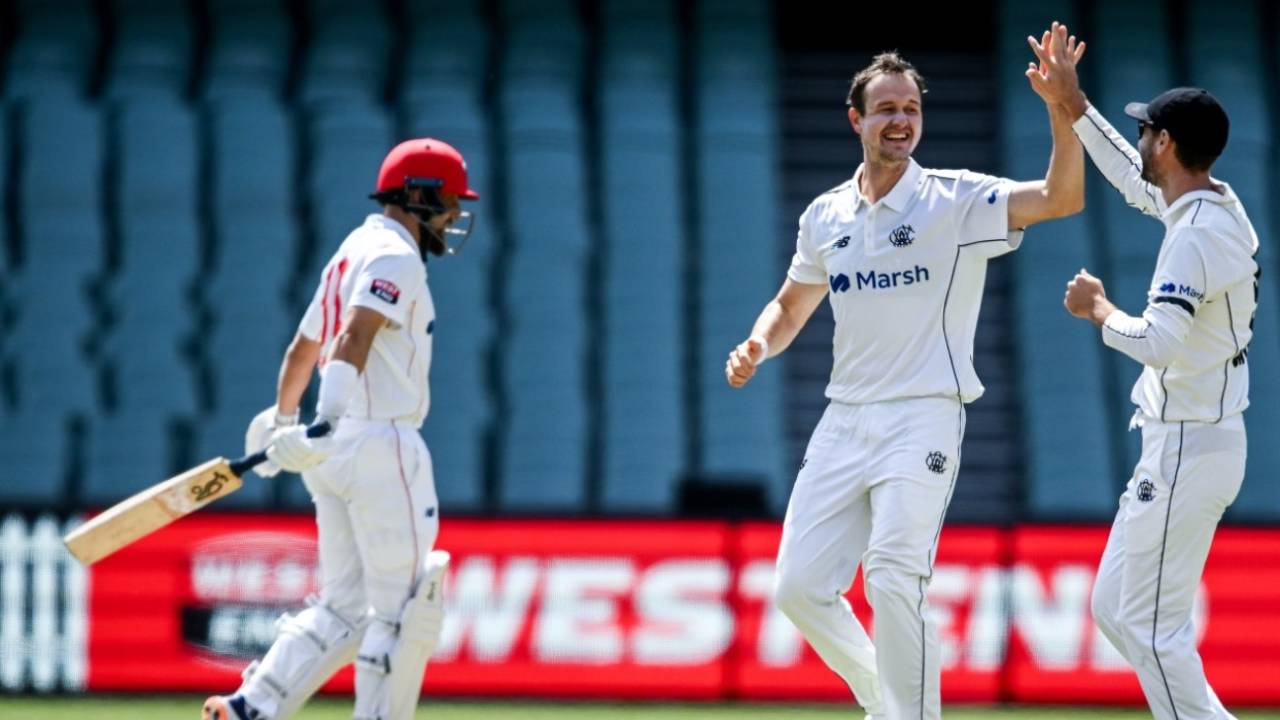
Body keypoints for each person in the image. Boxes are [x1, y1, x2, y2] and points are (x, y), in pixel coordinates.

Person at [723, 28, 1086, 719]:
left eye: (912, 109)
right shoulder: (824, 215)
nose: (901, 120)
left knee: (892, 576)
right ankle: (887, 703)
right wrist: (757, 345)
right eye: (886, 108)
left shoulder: (954, 200)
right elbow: (792, 303)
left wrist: (1059, 110)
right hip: (845, 418)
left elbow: (1059, 198)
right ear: (856, 119)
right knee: (798, 590)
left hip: (924, 412)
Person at [202, 138, 480, 720]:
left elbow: (303, 347)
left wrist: (283, 423)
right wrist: (320, 420)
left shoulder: (352, 250)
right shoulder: (396, 257)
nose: (454, 215)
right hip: (380, 441)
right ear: (418, 196)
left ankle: (250, 705)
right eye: (449, 201)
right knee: (405, 609)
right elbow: (355, 334)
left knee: (345, 608)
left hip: (335, 453)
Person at [1037, 37, 1256, 720]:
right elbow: (1136, 186)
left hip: (1192, 443)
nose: (1139, 140)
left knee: (1153, 633)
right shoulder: (1210, 204)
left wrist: (1099, 310)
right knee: (1113, 610)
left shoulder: (1194, 235)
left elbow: (1160, 341)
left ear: (1165, 143)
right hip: (1185, 440)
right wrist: (1073, 105)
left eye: (1144, 131)